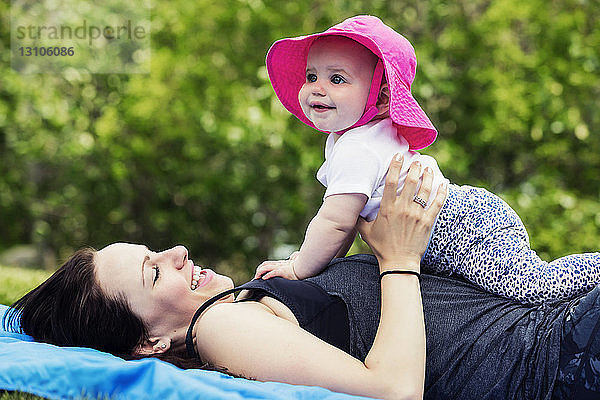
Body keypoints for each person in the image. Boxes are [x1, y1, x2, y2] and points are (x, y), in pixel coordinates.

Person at [3, 156, 600, 399]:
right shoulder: (220, 327)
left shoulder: (248, 300)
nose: (179, 251)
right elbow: (392, 391)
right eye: (152, 270)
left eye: (159, 250)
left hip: (562, 323)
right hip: (555, 360)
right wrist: (397, 258)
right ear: (146, 344)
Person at [255, 14, 600, 304]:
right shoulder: (358, 138)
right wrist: (324, 268)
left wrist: (299, 267)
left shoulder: (356, 148)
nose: (317, 87)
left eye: (337, 78)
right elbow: (341, 229)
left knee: (533, 286)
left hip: (463, 228)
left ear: (383, 96)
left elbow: (335, 223)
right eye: (312, 76)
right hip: (461, 216)